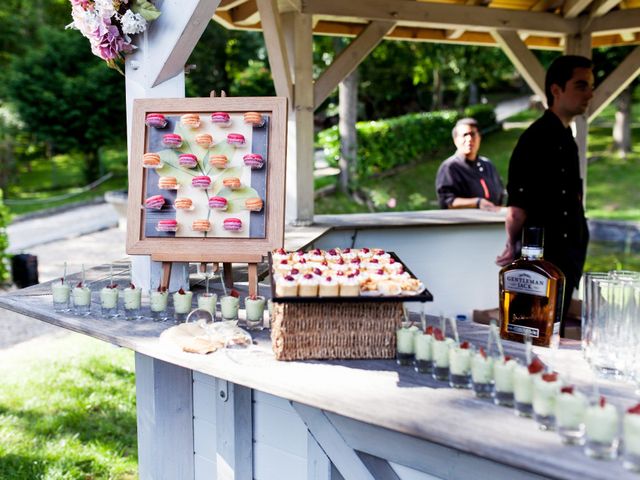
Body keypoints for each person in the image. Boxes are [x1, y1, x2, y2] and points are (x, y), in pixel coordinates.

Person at [496, 55, 594, 336]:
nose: (590, 93)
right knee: (530, 335)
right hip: (540, 263)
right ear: (556, 90)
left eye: (590, 86)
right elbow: (517, 208)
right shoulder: (535, 139)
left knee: (549, 334)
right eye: (581, 85)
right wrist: (511, 243)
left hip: (565, 259)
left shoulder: (566, 137)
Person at [436, 118, 504, 211]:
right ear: (455, 140)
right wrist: (477, 202)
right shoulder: (450, 167)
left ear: (479, 138)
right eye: (464, 135)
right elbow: (446, 201)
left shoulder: (488, 165)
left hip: (493, 222)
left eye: (473, 134)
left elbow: (500, 195)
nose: (469, 139)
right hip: (467, 224)